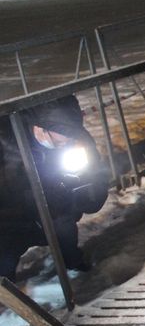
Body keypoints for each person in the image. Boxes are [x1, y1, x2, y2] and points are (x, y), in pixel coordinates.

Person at [0, 95, 109, 280]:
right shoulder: (6, 139)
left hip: (55, 209)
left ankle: (73, 263)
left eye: (70, 138)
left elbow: (94, 181)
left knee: (64, 229)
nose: (65, 144)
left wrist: (82, 193)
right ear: (40, 128)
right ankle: (7, 295)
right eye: (59, 141)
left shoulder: (75, 139)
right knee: (5, 257)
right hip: (11, 217)